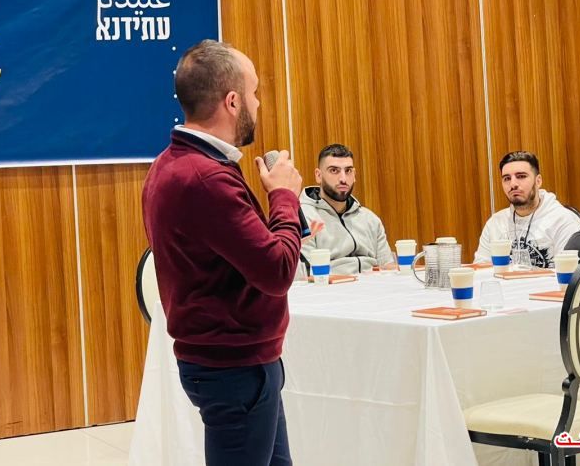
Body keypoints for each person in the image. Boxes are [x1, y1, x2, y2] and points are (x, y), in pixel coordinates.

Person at [142, 39, 303, 466]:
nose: (258, 103)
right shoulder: (206, 178)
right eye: (254, 93)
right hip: (235, 366)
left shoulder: (171, 163)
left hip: (236, 360)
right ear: (233, 102)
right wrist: (284, 198)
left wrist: (282, 227)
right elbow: (276, 272)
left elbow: (222, 254)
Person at [473, 151, 580, 268]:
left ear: (538, 181)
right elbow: (480, 270)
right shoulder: (495, 223)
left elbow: (570, 274)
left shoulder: (563, 220)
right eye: (507, 178)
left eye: (521, 176)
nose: (513, 184)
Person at [299, 144, 393, 274]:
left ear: (354, 175)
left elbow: (388, 268)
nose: (343, 179)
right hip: (330, 285)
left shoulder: (370, 219)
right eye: (334, 170)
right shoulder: (303, 217)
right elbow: (307, 275)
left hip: (375, 283)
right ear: (318, 175)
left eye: (348, 171)